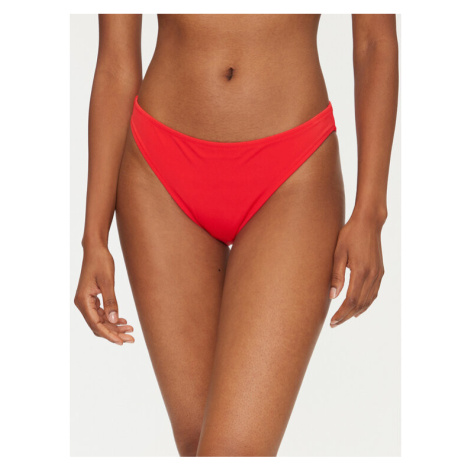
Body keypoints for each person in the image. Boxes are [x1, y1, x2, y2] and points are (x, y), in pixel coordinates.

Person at [74, 13, 398, 457]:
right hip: (160, 172)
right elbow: (115, 61)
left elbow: (375, 40)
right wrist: (94, 236)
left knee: (232, 451)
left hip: (293, 172)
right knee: (200, 447)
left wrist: (371, 212)